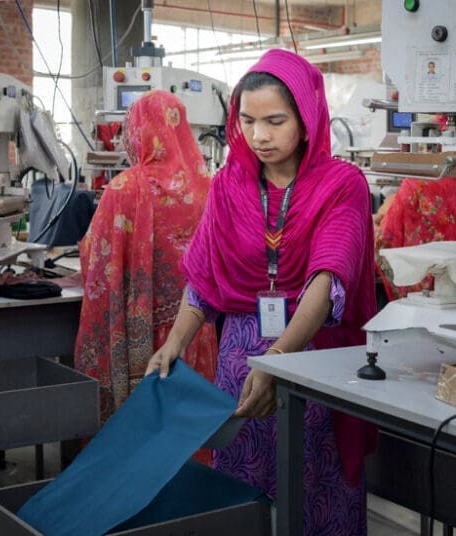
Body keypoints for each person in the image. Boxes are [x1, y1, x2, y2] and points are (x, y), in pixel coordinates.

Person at [146, 49, 377, 535]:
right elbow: (205, 277)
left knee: (315, 492)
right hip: (240, 365)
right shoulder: (230, 185)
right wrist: (174, 344)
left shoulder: (341, 185)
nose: (259, 136)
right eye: (248, 121)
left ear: (307, 118)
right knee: (242, 494)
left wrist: (278, 362)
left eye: (275, 120)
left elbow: (326, 279)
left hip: (312, 357)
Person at [75, 90, 217, 423]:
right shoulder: (207, 188)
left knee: (143, 431)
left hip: (141, 333)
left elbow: (96, 257)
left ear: (137, 131)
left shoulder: (125, 188)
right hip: (195, 326)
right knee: (190, 425)